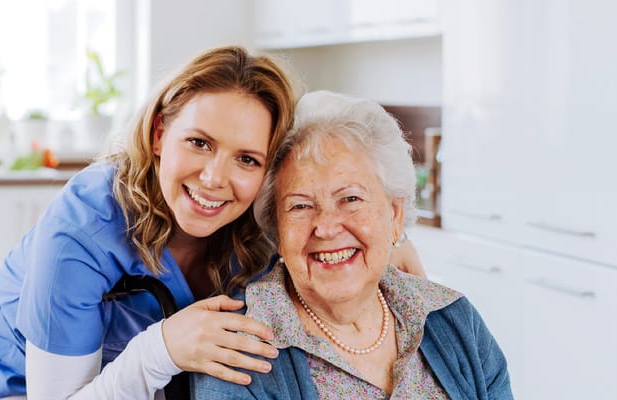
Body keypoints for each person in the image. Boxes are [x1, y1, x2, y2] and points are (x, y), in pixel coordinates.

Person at [0, 46, 297, 400]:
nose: (214, 178)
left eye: (247, 159)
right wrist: (161, 350)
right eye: (199, 143)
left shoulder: (263, 237)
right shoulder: (84, 229)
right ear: (159, 135)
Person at [192, 90, 512, 399]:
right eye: (301, 206)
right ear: (277, 230)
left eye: (351, 198)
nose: (327, 228)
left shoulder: (455, 319)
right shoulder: (235, 351)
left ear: (394, 215)